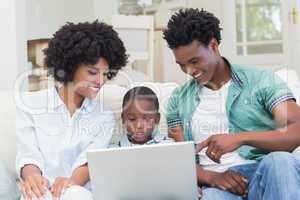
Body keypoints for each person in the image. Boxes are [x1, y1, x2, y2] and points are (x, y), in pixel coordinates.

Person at [163, 8, 300, 200]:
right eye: (181, 65)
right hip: (216, 184)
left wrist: (240, 138)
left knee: (281, 161)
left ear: (213, 45)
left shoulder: (262, 81)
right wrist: (213, 177)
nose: (189, 71)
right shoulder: (177, 100)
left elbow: (296, 129)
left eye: (194, 61)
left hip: (264, 174)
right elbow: (177, 158)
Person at [16, 20, 128, 200]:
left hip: (78, 190)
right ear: (70, 66)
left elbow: (89, 162)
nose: (100, 81)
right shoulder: (31, 104)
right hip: (41, 190)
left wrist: (70, 182)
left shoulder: (104, 116)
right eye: (93, 72)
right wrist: (33, 177)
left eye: (106, 74)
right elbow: (28, 155)